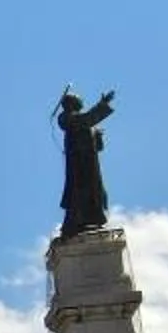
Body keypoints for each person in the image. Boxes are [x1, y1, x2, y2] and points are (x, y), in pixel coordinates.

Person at [57, 88, 116, 235]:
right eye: (78, 99)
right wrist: (102, 104)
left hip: (90, 162)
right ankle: (76, 223)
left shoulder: (85, 122)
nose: (81, 101)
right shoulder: (66, 118)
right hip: (79, 163)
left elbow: (99, 147)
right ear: (71, 103)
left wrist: (98, 136)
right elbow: (86, 119)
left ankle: (93, 219)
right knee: (79, 192)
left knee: (94, 191)